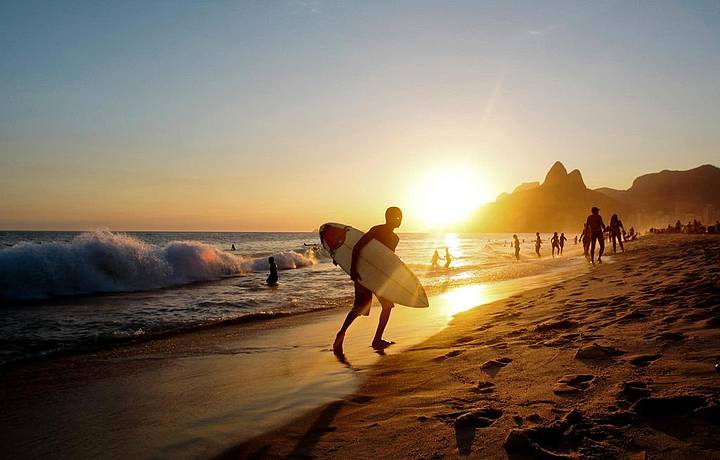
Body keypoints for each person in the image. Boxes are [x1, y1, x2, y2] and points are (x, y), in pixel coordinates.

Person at [333, 207, 402, 354]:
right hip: (364, 274)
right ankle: (342, 334)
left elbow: (387, 259)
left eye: (401, 217)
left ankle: (376, 339)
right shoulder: (376, 230)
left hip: (377, 277)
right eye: (397, 217)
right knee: (360, 307)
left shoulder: (395, 238)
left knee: (386, 306)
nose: (400, 219)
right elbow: (358, 247)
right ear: (388, 217)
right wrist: (353, 270)